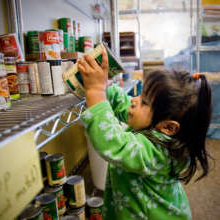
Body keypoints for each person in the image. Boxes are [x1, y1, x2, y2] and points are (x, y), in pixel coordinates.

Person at [77, 50, 212, 220]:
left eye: (144, 101)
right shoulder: (152, 122)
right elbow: (124, 105)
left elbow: (115, 145)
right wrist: (105, 87)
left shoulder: (158, 152)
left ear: (168, 128)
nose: (135, 99)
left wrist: (96, 91)